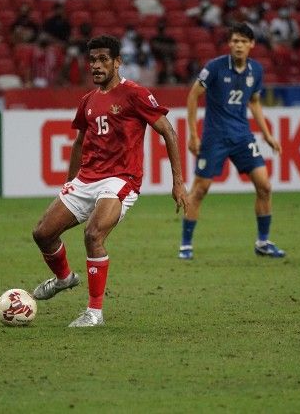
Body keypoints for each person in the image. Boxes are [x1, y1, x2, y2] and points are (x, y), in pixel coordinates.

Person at [31, 35, 188, 327]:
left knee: (93, 236)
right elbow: (79, 142)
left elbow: (169, 132)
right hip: (87, 178)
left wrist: (178, 182)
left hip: (120, 179)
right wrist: (69, 184)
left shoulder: (135, 94)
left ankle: (94, 312)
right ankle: (65, 278)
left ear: (118, 62)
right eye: (92, 60)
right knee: (42, 234)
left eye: (103, 59)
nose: (96, 65)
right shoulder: (88, 101)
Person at [178, 23, 284, 260]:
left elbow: (254, 101)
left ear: (252, 45)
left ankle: (263, 243)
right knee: (200, 190)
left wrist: (267, 135)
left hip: (242, 136)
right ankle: (185, 244)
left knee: (265, 187)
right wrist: (193, 134)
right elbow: (193, 95)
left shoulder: (256, 70)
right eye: (235, 41)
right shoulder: (215, 67)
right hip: (214, 137)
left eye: (243, 42)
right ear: (230, 44)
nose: (239, 45)